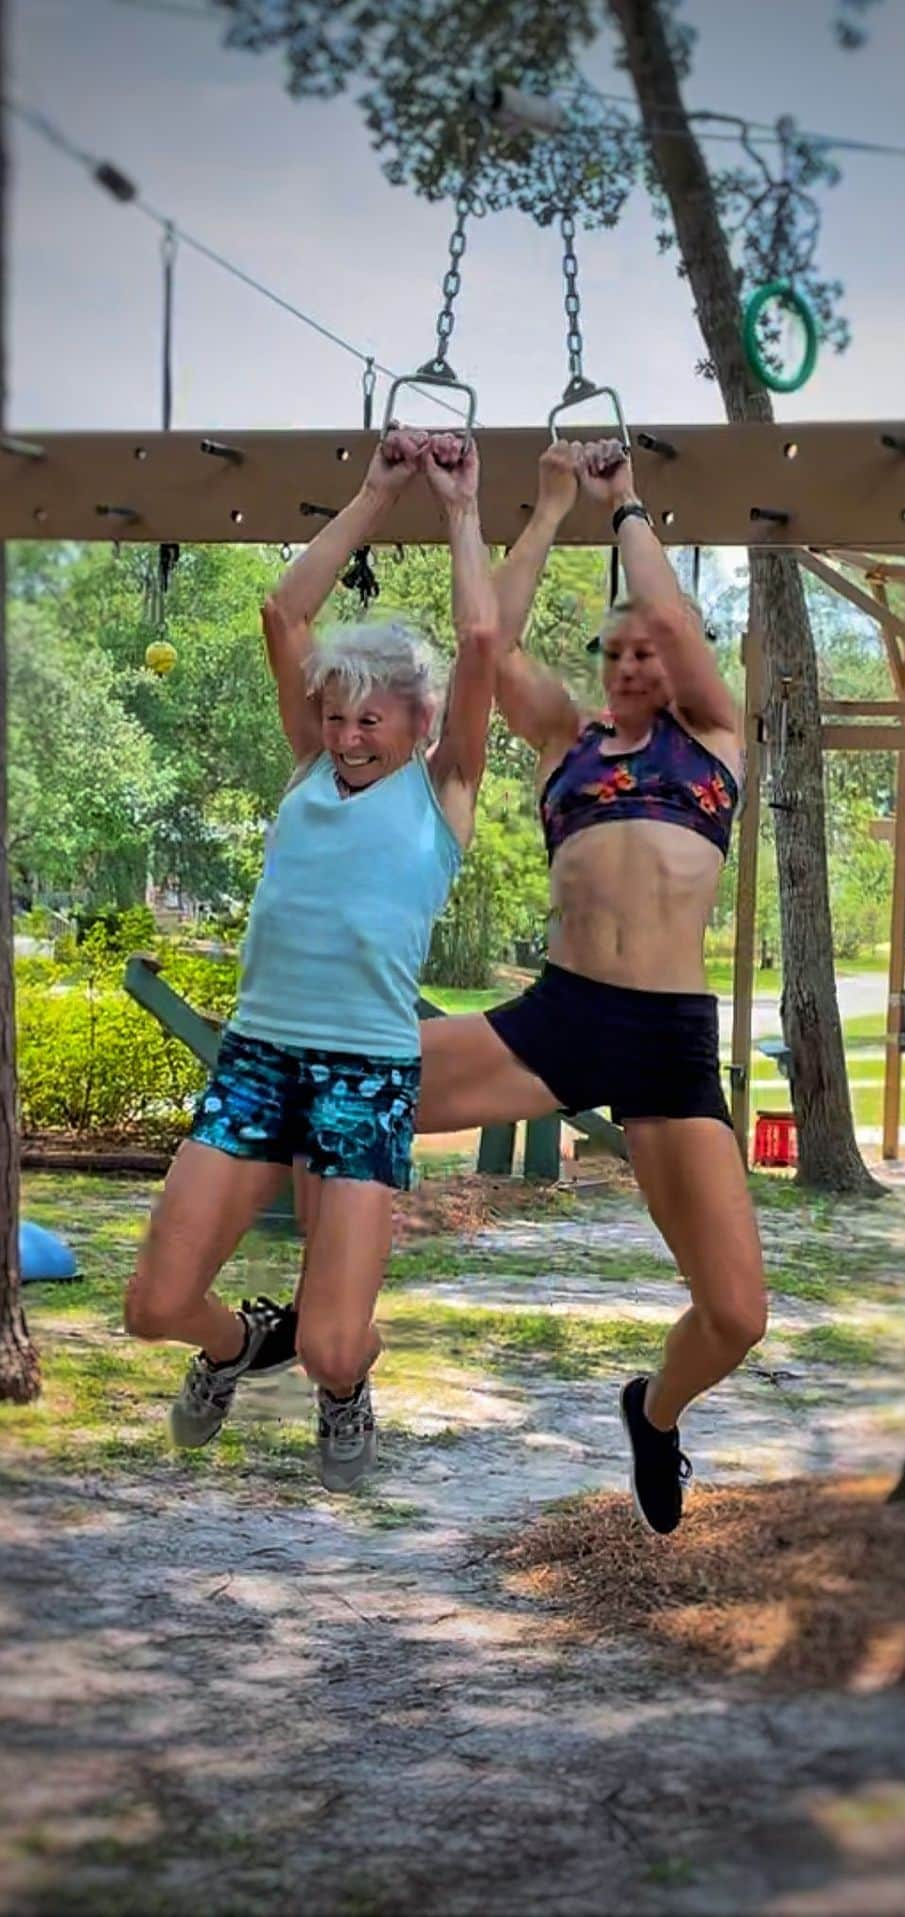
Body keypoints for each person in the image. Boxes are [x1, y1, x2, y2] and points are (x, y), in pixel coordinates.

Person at [124, 428, 498, 1493]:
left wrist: (461, 508)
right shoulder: (307, 772)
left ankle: (340, 1384)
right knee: (152, 1304)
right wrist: (377, 492)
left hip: (366, 1079)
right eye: (332, 718)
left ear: (419, 723)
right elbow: (285, 614)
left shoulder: (443, 794)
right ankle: (236, 1345)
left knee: (337, 1343)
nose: (343, 737)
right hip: (257, 1062)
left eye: (369, 720)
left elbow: (482, 639)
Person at [416, 437, 767, 1535]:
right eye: (612, 652)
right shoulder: (565, 743)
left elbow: (672, 620)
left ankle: (654, 1415)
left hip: (667, 1040)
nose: (630, 663)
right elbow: (489, 638)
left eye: (647, 652)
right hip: (563, 1012)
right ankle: (301, 1335)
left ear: (676, 665)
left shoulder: (715, 744)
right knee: (338, 1086)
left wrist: (624, 509)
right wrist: (540, 507)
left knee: (738, 1315)